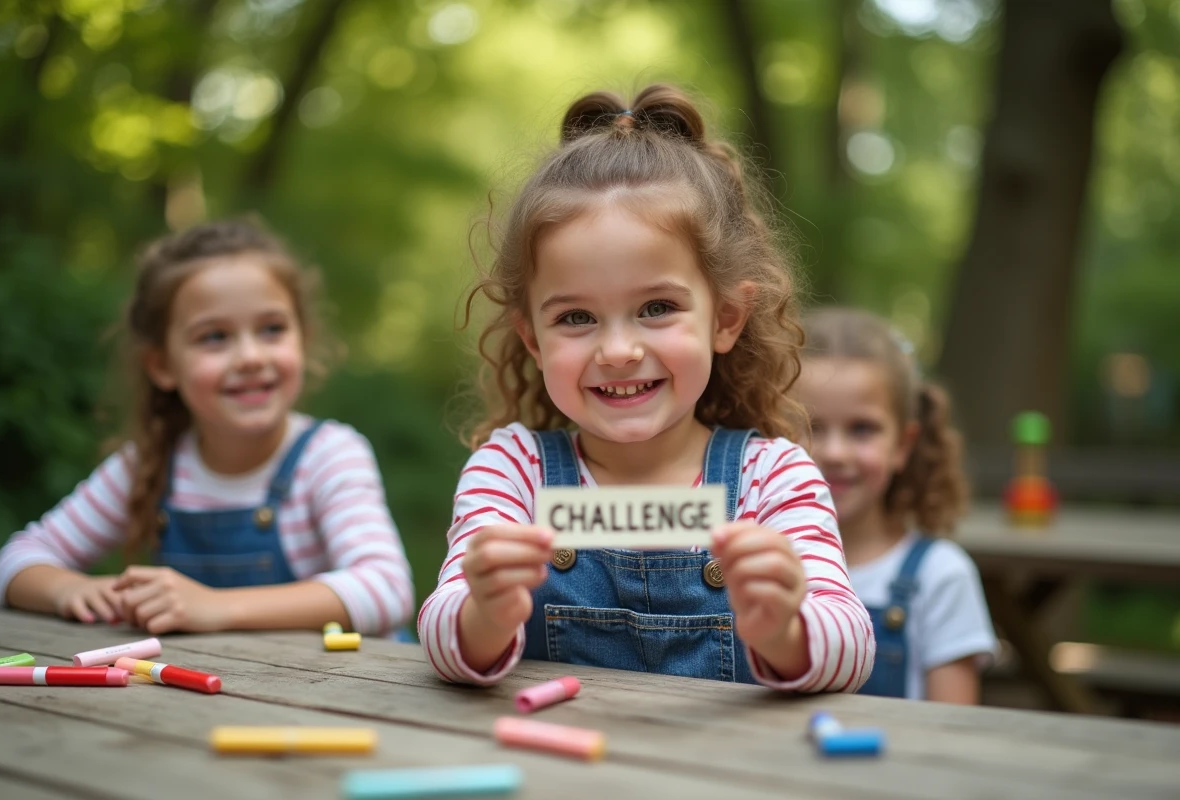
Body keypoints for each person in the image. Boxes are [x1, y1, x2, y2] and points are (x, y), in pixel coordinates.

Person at [418, 85, 874, 691]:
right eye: (575, 318)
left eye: (657, 307)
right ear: (532, 339)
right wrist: (482, 614)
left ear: (727, 319)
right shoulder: (512, 472)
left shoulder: (774, 478)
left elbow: (853, 646)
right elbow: (441, 637)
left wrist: (787, 631)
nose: (618, 351)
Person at [0, 219, 414, 636]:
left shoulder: (330, 455)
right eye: (214, 337)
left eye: (272, 329)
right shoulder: (149, 465)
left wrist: (216, 607)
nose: (249, 356)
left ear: (302, 339)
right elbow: (15, 560)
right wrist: (70, 589)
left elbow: (387, 589)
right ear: (162, 365)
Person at [795, 307, 998, 702]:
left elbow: (950, 736)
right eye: (811, 427)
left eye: (862, 429)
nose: (835, 452)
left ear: (903, 446)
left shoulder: (940, 577)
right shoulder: (750, 562)